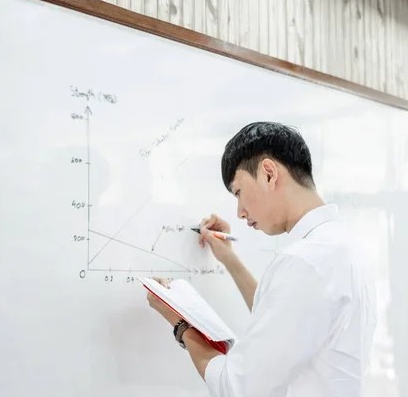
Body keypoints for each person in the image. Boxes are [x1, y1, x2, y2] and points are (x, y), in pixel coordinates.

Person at [146, 121, 377, 397]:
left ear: (268, 173)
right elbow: (283, 316)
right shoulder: (342, 246)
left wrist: (181, 325)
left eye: (238, 193)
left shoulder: (305, 261)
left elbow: (237, 387)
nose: (240, 212)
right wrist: (229, 259)